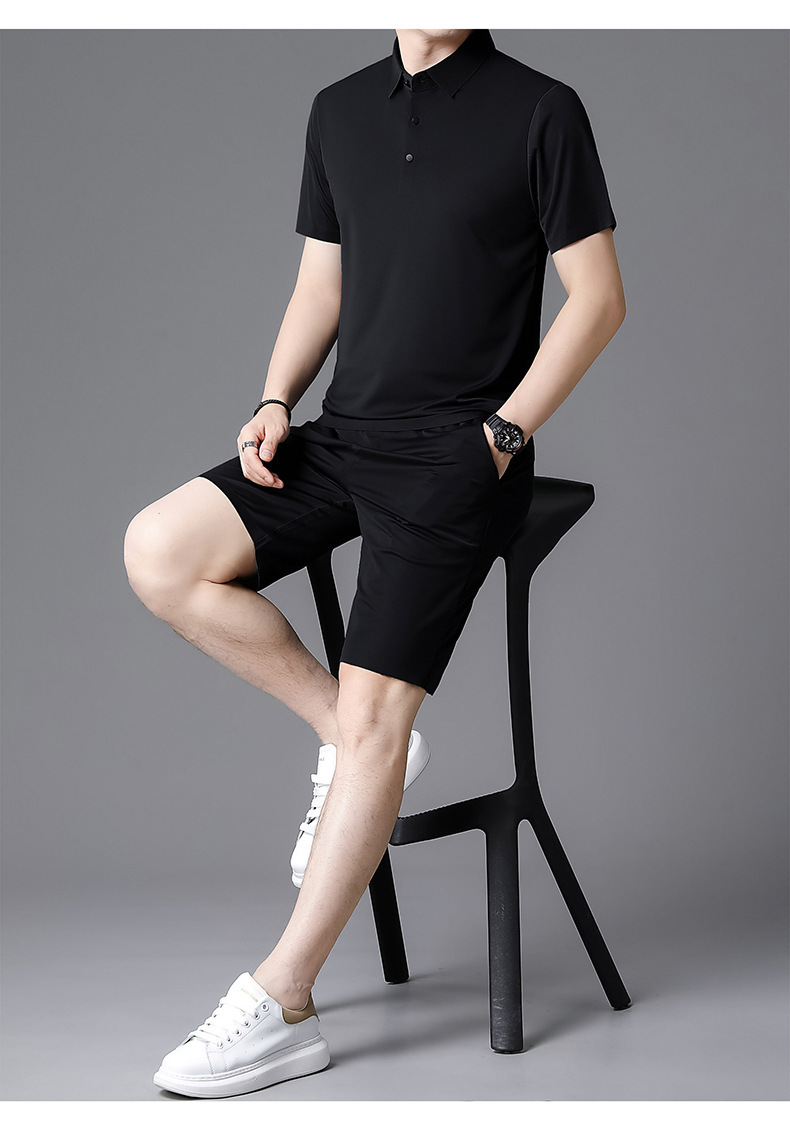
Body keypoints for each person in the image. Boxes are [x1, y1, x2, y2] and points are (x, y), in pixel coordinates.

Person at [124, 28, 625, 1098]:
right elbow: (323, 284)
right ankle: (350, 742)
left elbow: (597, 298)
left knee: (376, 719)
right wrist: (276, 400)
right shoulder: (339, 109)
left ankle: (285, 1001)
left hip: (458, 456)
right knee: (160, 549)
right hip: (346, 438)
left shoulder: (542, 108)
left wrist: (502, 436)